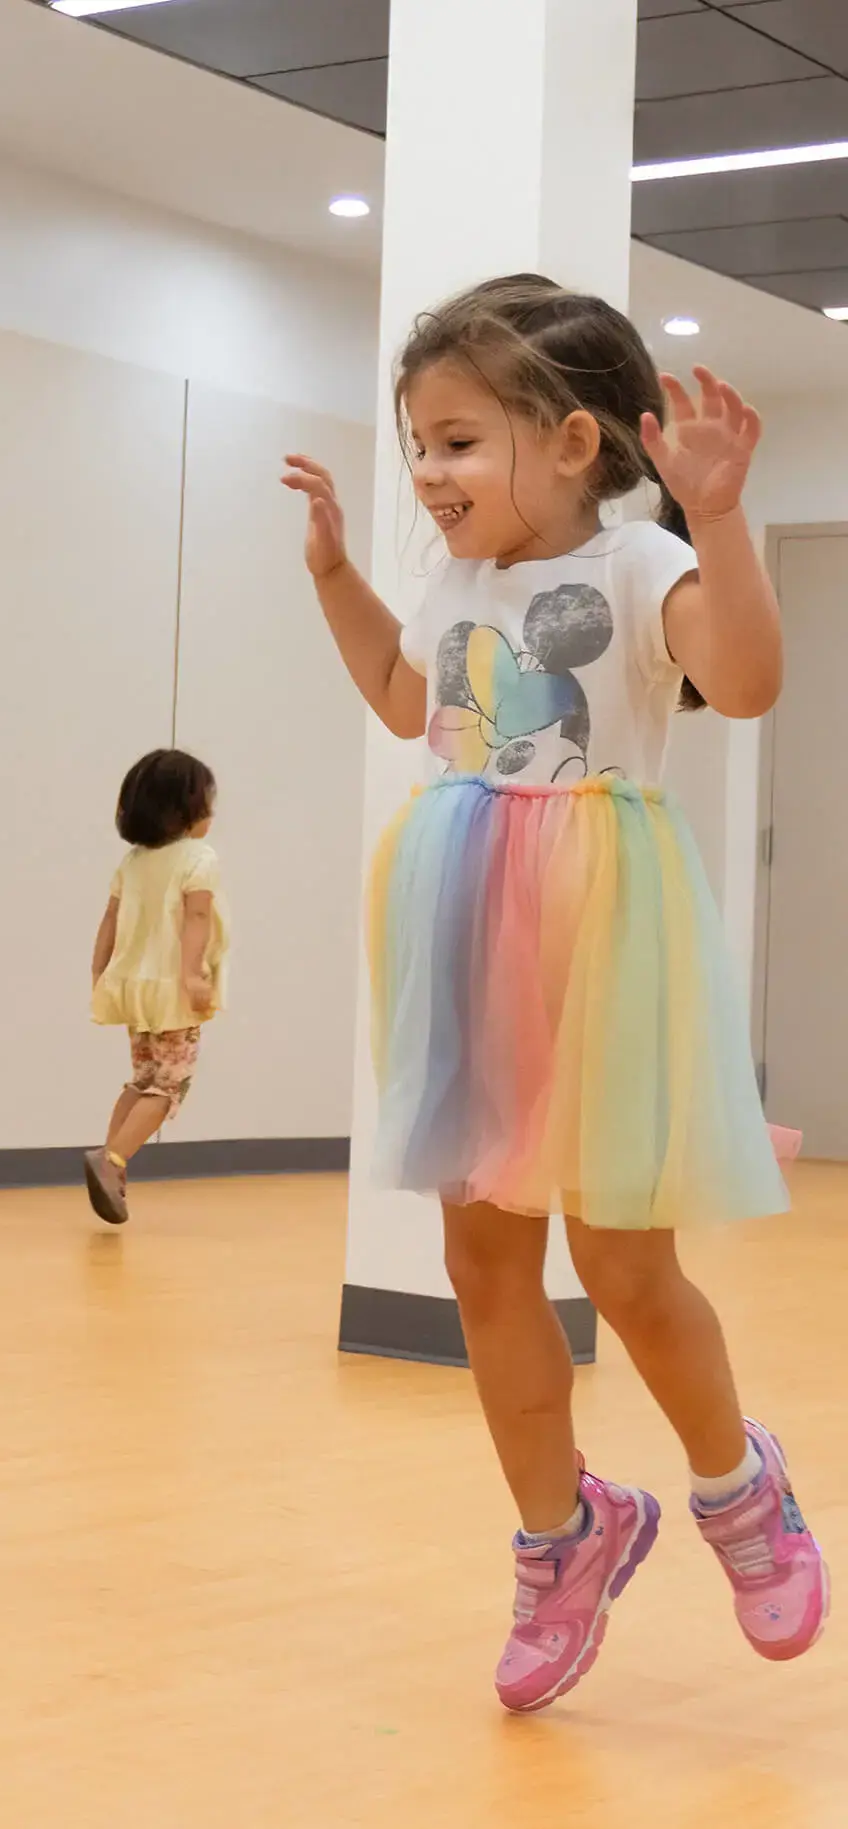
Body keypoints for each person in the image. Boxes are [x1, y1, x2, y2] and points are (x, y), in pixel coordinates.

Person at [284, 274, 824, 1713]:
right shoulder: (457, 581)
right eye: (418, 441)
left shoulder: (647, 566)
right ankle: (561, 1535)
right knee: (482, 1265)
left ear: (573, 439)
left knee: (630, 1268)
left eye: (457, 440)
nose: (427, 472)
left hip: (601, 940)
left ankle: (737, 1489)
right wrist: (339, 572)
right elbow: (410, 707)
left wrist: (717, 515)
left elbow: (753, 681)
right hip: (465, 940)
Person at [84, 748, 226, 1225]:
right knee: (169, 1088)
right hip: (171, 992)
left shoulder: (134, 861)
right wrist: (191, 975)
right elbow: (198, 916)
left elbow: (109, 919)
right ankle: (112, 1161)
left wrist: (98, 971)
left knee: (143, 1079)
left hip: (134, 985)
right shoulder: (199, 859)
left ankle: (111, 1159)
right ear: (187, 810)